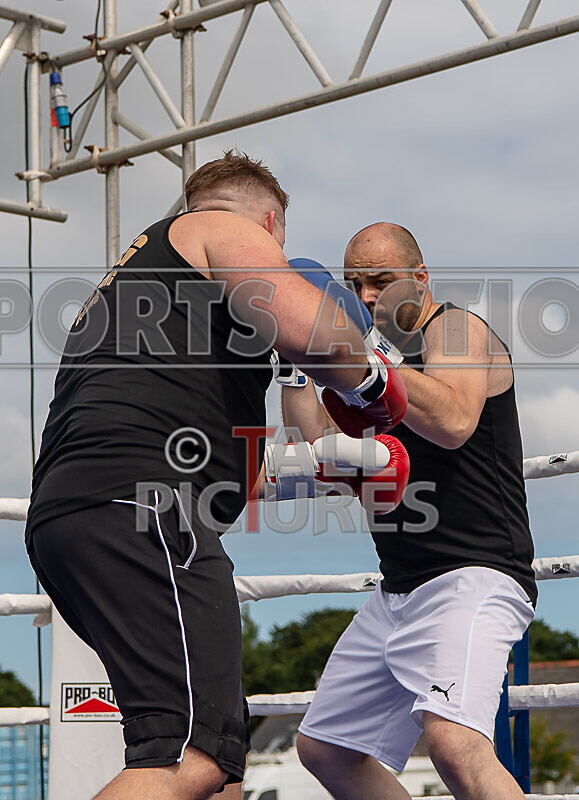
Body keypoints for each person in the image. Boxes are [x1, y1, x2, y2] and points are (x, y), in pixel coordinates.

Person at [24, 153, 408, 800]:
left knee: (221, 754)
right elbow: (317, 333)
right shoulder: (222, 228)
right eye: (274, 244)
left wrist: (324, 445)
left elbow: (248, 473)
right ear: (268, 221)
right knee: (188, 758)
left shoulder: (148, 298)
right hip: (141, 509)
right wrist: (372, 378)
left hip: (82, 516)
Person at [281, 223, 536, 800]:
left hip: (474, 575)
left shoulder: (455, 330)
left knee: (454, 744)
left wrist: (367, 359)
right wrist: (296, 361)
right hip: (399, 589)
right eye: (354, 284)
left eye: (380, 280)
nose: (366, 296)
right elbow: (334, 462)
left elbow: (451, 423)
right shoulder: (361, 364)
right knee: (327, 749)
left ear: (420, 279)